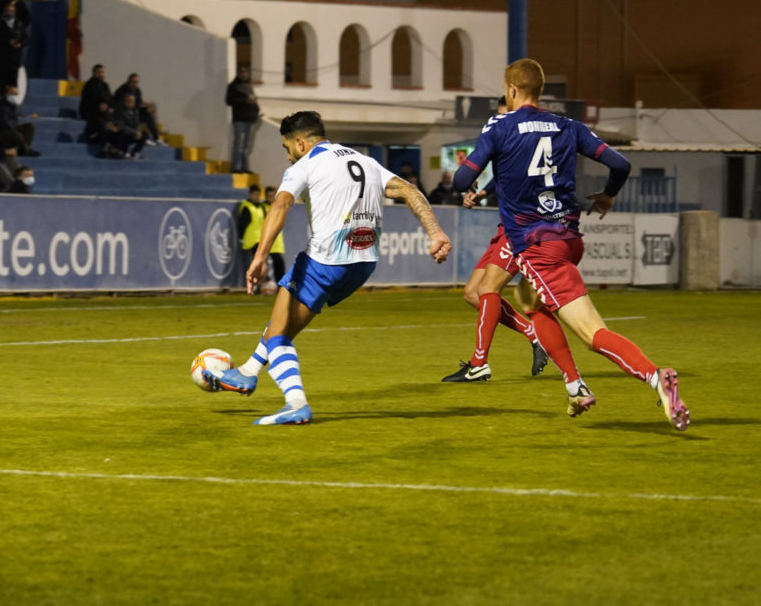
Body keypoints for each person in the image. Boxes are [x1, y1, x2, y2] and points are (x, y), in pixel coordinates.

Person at [452, 58, 690, 430]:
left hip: (537, 246)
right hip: (568, 238)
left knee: (591, 333)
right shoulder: (569, 126)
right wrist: (608, 196)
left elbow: (461, 178)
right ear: (540, 90)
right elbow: (620, 164)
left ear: (511, 90)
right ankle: (575, 386)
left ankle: (656, 377)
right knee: (530, 301)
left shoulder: (500, 126)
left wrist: (476, 171)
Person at [202, 110, 452, 425]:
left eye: (287, 148)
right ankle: (248, 373)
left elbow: (280, 204)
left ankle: (295, 404)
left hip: (326, 260)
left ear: (301, 142)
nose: (288, 156)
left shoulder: (307, 164)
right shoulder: (364, 161)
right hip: (363, 264)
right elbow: (409, 190)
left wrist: (259, 256)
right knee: (283, 322)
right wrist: (435, 232)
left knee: (279, 335)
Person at [442, 95, 549, 383]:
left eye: (504, 115)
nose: (500, 122)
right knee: (472, 293)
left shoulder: (525, 139)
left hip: (522, 227)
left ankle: (479, 364)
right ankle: (533, 334)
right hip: (506, 226)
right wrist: (483, 193)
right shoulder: (515, 138)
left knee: (488, 289)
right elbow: (501, 172)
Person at [0, 0, 28, 94]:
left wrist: (20, 43)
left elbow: (26, 39)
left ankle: (12, 94)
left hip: (15, 56)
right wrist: (8, 42)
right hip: (2, 56)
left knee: (13, 78)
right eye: (8, 11)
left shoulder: (19, 25)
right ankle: (2, 96)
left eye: (11, 11)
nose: (10, 13)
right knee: (2, 78)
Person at [225, 63, 259, 174]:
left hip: (250, 118)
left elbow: (253, 102)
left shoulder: (249, 86)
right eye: (242, 72)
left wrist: (256, 111)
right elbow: (229, 101)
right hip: (239, 118)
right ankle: (236, 167)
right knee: (238, 144)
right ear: (238, 73)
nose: (244, 75)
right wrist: (244, 100)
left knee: (247, 145)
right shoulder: (233, 86)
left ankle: (244, 167)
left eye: (246, 72)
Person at [0, 85, 40, 157]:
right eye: (13, 94)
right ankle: (25, 151)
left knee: (30, 127)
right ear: (7, 94)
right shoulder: (0, 106)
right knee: (18, 135)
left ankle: (23, 149)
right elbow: (4, 123)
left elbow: (15, 119)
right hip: (0, 132)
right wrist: (14, 130)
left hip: (11, 130)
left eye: (16, 94)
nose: (15, 96)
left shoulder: (12, 105)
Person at [115, 72, 163, 145]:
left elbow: (139, 103)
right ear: (128, 82)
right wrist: (137, 106)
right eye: (133, 82)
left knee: (148, 114)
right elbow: (123, 105)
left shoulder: (137, 90)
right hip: (124, 115)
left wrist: (146, 106)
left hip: (135, 112)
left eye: (136, 82)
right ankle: (141, 138)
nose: (135, 84)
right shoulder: (122, 90)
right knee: (134, 116)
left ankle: (156, 137)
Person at [235, 185, 266, 289]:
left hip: (260, 239)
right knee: (252, 263)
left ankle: (257, 284)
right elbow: (242, 224)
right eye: (254, 194)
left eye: (258, 194)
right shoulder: (246, 206)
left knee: (259, 263)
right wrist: (241, 237)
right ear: (250, 194)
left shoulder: (261, 207)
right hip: (250, 239)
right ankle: (252, 284)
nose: (256, 196)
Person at [79, 63, 115, 135]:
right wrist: (98, 106)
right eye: (99, 72)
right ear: (94, 73)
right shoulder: (89, 85)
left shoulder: (105, 85)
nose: (101, 74)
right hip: (92, 112)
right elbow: (86, 102)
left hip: (104, 112)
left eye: (102, 72)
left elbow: (110, 99)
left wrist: (110, 106)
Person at [109, 92, 147, 159]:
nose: (130, 103)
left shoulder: (135, 111)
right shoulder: (120, 111)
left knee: (145, 134)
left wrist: (138, 131)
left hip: (133, 133)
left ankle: (134, 152)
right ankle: (117, 150)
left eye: (132, 102)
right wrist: (134, 132)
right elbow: (121, 125)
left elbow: (137, 123)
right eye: (128, 101)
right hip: (122, 133)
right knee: (124, 133)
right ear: (124, 102)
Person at [263, 185, 286, 284]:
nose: (271, 198)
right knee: (263, 264)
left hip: (275, 241)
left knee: (279, 263)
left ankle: (279, 284)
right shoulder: (262, 208)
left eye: (273, 195)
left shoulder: (277, 207)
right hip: (264, 240)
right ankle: (260, 285)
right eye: (269, 195)